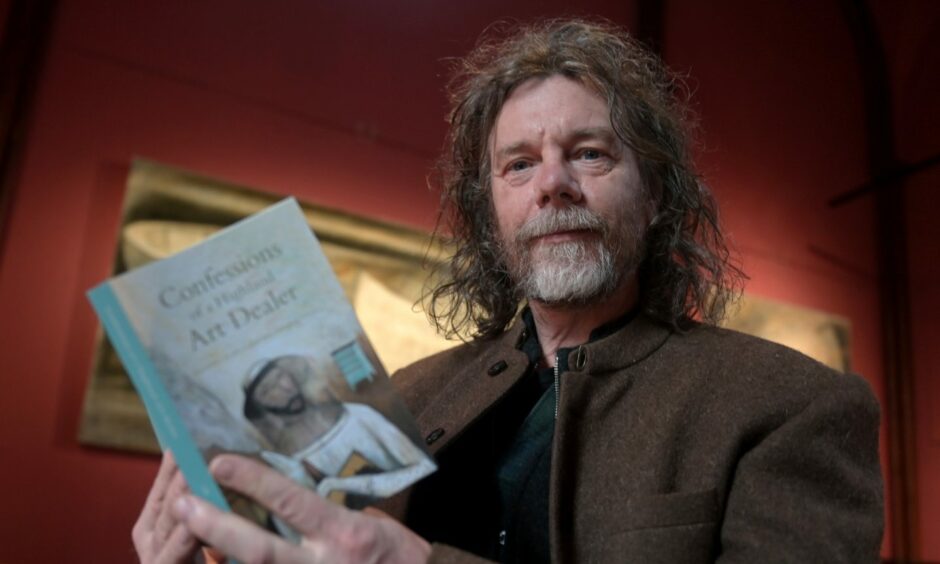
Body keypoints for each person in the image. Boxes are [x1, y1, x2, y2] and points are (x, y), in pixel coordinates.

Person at [133, 19, 884, 563]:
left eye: (588, 153)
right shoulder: (407, 394)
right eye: (518, 165)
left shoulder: (790, 404)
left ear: (656, 196)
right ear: (492, 214)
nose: (552, 185)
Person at [241, 355, 435, 506]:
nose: (283, 387)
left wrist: (343, 485)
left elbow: (423, 466)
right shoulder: (290, 465)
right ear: (261, 405)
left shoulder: (358, 416)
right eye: (268, 389)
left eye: (281, 376)